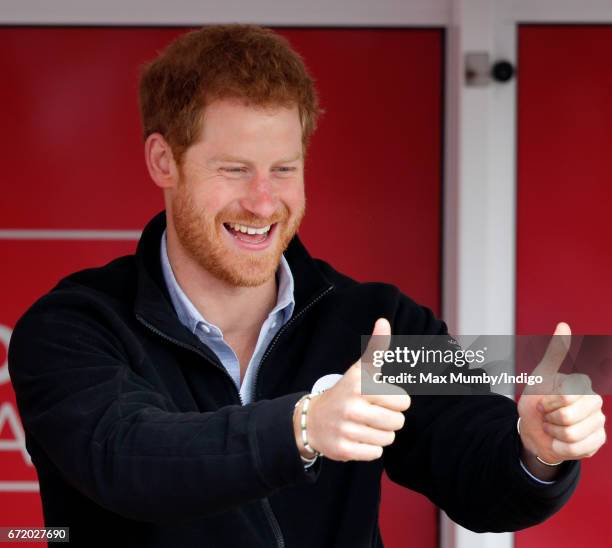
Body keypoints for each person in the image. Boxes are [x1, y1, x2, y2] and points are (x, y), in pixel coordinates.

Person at [8, 24, 606, 548]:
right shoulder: (71, 328)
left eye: (284, 169)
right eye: (235, 169)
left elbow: (479, 476)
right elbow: (129, 459)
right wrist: (303, 427)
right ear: (164, 162)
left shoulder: (378, 322)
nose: (264, 201)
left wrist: (539, 450)